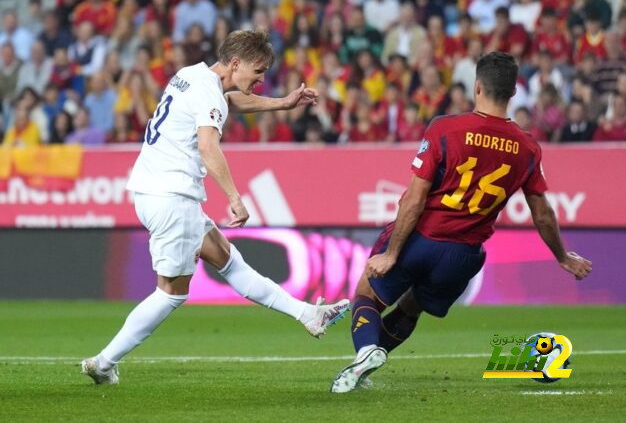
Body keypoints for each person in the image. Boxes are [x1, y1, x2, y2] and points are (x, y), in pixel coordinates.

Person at [81, 30, 350, 385]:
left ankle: (307, 315)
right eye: (258, 71)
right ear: (235, 63)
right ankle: (103, 362)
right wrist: (236, 198)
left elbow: (231, 101)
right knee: (170, 293)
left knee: (228, 259)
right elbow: (209, 147)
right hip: (172, 197)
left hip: (156, 191)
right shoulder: (208, 89)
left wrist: (282, 103)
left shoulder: (193, 74)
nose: (261, 79)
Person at [329, 52, 592, 393]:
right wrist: (562, 256)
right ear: (513, 93)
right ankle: (363, 365)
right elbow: (542, 212)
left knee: (368, 295)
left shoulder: (446, 129)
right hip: (463, 256)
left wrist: (393, 252)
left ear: (477, 86)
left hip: (421, 238)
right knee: (410, 307)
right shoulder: (527, 148)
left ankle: (365, 351)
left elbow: (414, 198)